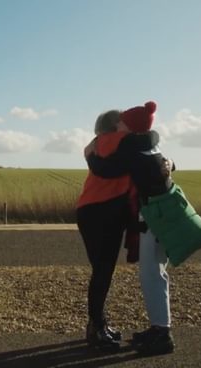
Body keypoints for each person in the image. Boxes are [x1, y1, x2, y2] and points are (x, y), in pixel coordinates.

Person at [85, 101, 176, 356]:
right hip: (123, 214)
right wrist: (169, 162)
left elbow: (110, 166)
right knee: (129, 272)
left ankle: (156, 332)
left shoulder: (130, 147)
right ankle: (104, 326)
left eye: (125, 122)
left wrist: (89, 154)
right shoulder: (133, 144)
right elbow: (154, 154)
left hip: (132, 214)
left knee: (139, 273)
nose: (120, 125)